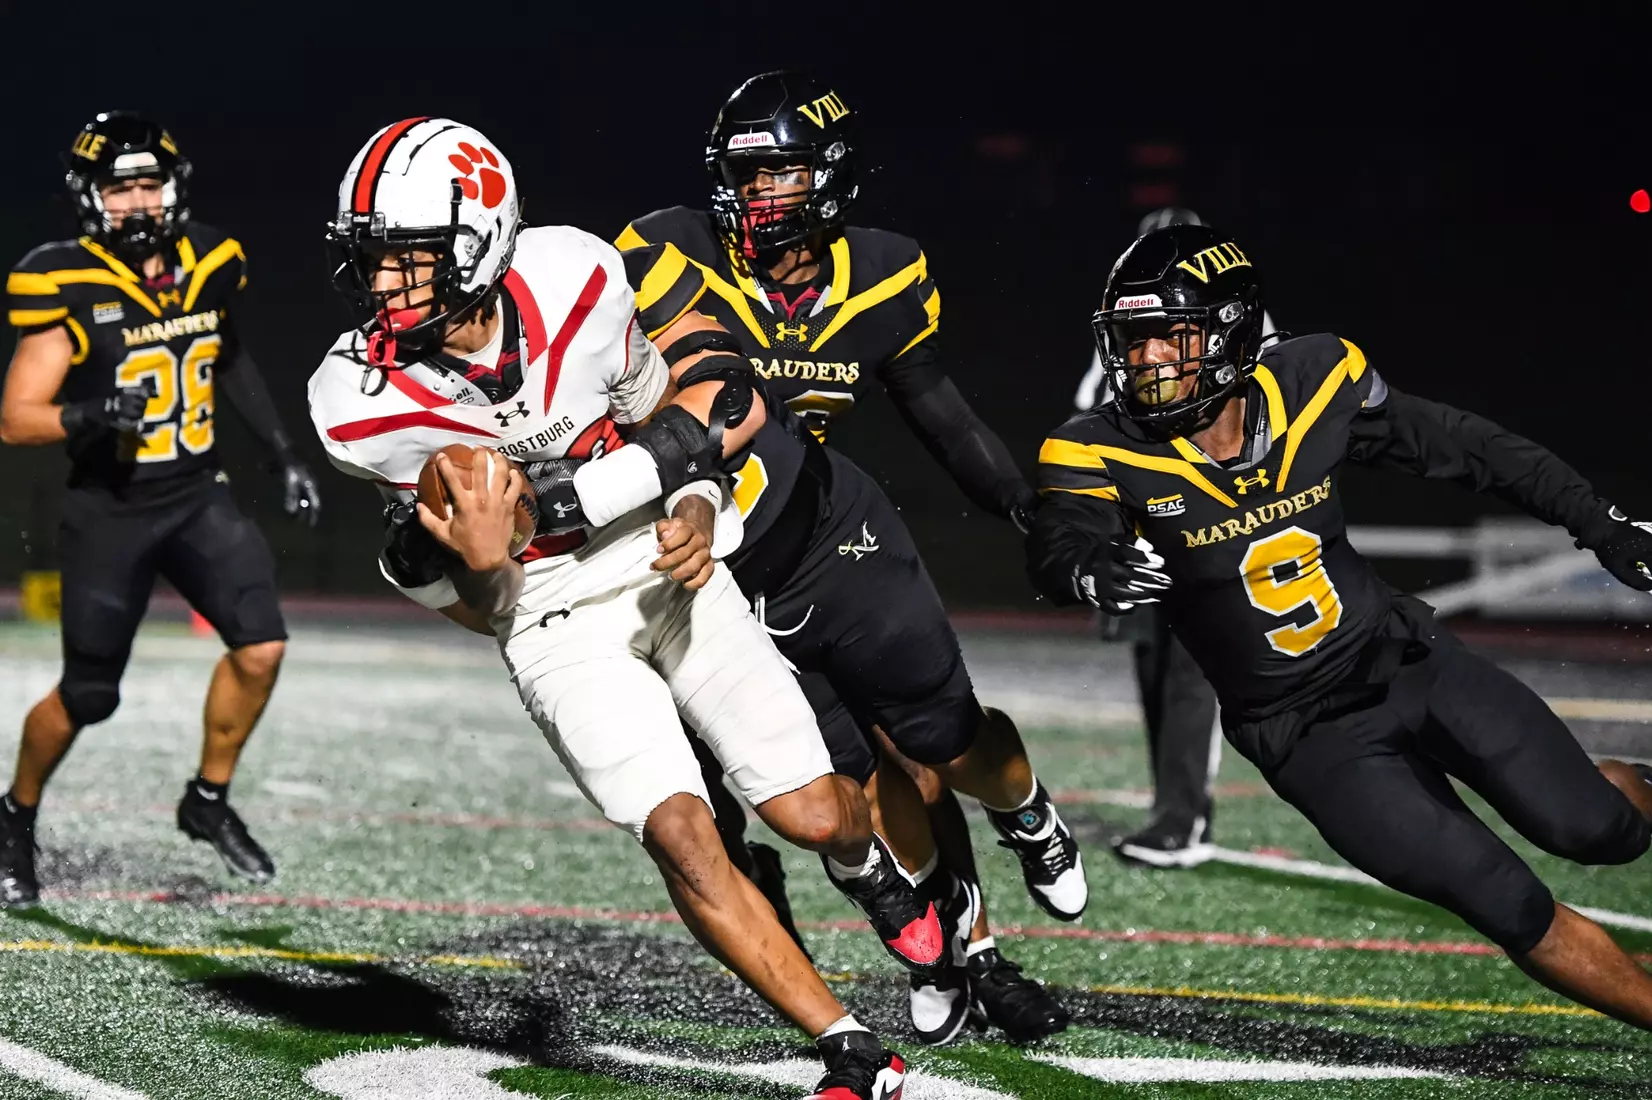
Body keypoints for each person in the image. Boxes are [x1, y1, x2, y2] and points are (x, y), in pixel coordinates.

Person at [308, 118, 937, 1099]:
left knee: (814, 813)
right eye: (373, 261)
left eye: (408, 260)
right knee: (683, 832)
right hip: (550, 612)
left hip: (660, 552)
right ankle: (850, 1044)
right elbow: (468, 603)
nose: (383, 286)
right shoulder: (353, 395)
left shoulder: (579, 277)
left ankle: (868, 870)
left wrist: (695, 503)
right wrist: (482, 568)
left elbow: (670, 416)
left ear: (479, 238)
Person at [1027, 222, 1652, 1028]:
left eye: (1165, 337)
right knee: (1503, 898)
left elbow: (1469, 448)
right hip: (1306, 735)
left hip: (1407, 660)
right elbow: (1057, 541)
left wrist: (1600, 524)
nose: (1143, 360)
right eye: (1131, 340)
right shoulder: (1095, 450)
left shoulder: (1315, 379)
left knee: (1595, 829)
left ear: (1229, 332)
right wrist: (1085, 568)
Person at [617, 70, 1078, 1045]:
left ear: (827, 176)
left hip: (823, 534)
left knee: (918, 745)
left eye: (775, 173)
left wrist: (1021, 509)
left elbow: (939, 415)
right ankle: (934, 947)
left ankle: (981, 933)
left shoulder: (882, 272)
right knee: (813, 780)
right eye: (740, 175)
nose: (753, 196)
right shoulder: (664, 254)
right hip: (708, 559)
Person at [0, 112, 322, 905]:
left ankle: (206, 801)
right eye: (121, 188)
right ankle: (13, 815)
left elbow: (230, 353)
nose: (139, 203)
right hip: (111, 507)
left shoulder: (210, 256)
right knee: (90, 695)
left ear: (173, 187)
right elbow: (15, 417)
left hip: (195, 494)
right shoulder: (61, 276)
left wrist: (282, 453)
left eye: (150, 184)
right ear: (90, 198)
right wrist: (89, 415)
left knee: (261, 647)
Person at [1075, 207, 1275, 869]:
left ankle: (1184, 817)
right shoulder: (1133, 318)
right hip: (1148, 518)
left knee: (1196, 669)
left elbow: (1268, 416)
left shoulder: (1243, 325)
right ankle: (1174, 806)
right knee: (1154, 665)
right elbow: (1091, 404)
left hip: (1212, 513)